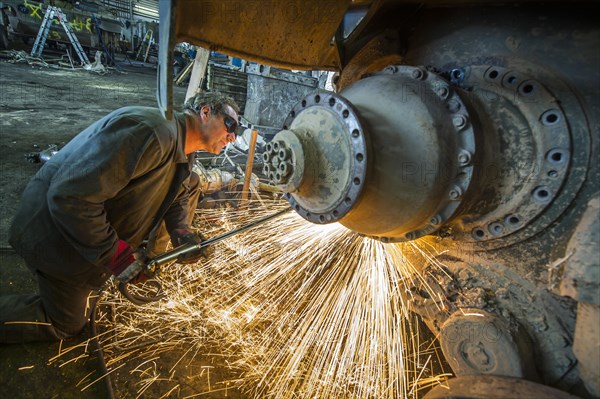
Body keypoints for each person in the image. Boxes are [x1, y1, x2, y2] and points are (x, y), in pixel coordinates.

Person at [0, 91, 240, 343]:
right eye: (230, 125)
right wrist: (119, 259)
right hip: (53, 233)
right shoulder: (153, 134)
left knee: (191, 183)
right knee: (66, 323)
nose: (233, 137)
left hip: (78, 234)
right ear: (205, 112)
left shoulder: (182, 147)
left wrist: (181, 233)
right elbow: (71, 198)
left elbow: (182, 189)